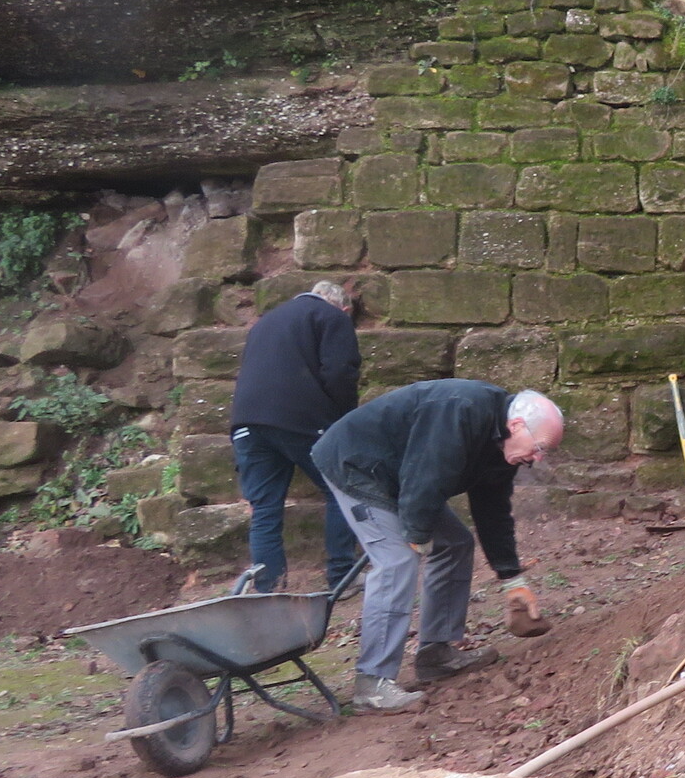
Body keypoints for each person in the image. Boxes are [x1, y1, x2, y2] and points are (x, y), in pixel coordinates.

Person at [310, 380, 564, 713]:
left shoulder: (503, 447)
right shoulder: (460, 411)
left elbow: (493, 512)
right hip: (358, 464)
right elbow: (426, 473)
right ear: (516, 425)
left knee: (456, 543)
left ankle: (436, 655)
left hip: (403, 475)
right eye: (539, 447)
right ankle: (371, 684)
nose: (538, 458)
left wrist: (511, 579)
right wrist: (417, 534)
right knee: (397, 560)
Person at [228, 279, 360, 596]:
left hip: (246, 422)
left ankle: (268, 590)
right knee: (342, 488)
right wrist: (342, 420)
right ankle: (342, 576)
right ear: (344, 308)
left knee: (265, 509)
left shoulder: (265, 322)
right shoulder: (333, 317)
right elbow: (339, 372)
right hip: (299, 419)